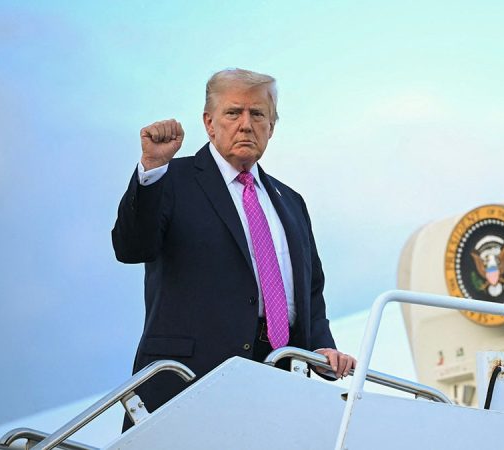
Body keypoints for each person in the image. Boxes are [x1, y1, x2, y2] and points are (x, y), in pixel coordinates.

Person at [112, 68, 356, 423]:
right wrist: (151, 167)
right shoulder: (170, 179)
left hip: (280, 385)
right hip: (188, 383)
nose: (246, 124)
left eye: (257, 114)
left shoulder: (291, 201)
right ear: (209, 123)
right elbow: (131, 248)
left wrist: (322, 346)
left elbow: (310, 291)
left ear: (272, 126)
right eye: (233, 112)